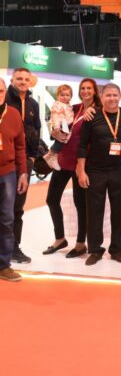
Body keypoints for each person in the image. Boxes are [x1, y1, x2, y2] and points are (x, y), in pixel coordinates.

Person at [44, 78, 102, 258]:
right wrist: (53, 132)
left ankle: (80, 243)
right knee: (52, 199)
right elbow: (59, 124)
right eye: (82, 88)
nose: (85, 91)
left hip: (80, 164)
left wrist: (83, 165)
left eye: (89, 88)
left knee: (80, 204)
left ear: (94, 91)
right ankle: (60, 238)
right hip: (62, 161)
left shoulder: (98, 112)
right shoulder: (74, 108)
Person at [76, 83, 121, 265]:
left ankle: (116, 249)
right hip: (95, 171)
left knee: (118, 211)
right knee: (94, 211)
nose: (112, 98)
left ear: (120, 96)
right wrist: (81, 170)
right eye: (108, 95)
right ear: (101, 96)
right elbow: (82, 145)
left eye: (115, 95)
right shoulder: (92, 115)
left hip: (119, 170)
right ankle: (95, 250)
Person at [5, 67, 40, 264]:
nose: (23, 82)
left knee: (17, 209)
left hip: (25, 161)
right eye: (19, 78)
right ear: (12, 80)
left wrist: (32, 158)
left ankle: (13, 248)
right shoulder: (5, 100)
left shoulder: (33, 103)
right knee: (4, 208)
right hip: (6, 162)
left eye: (26, 79)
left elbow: (36, 129)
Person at [0, 77, 28, 282]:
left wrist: (23, 173)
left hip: (8, 173)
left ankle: (3, 265)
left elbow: (20, 146)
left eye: (0, 91)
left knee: (6, 220)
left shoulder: (13, 114)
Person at [43, 84, 74, 171]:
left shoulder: (69, 106)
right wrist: (56, 127)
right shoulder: (57, 104)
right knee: (61, 141)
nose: (65, 97)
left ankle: (49, 155)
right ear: (58, 96)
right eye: (62, 95)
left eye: (67, 95)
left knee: (62, 141)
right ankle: (53, 156)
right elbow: (55, 116)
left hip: (66, 125)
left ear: (71, 96)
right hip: (60, 125)